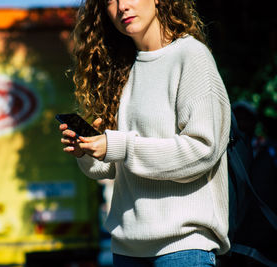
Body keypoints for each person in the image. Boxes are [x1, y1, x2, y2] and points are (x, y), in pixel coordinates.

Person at [59, 0, 231, 266]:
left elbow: (202, 150)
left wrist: (118, 146)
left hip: (183, 249)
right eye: (110, 1)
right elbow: (114, 168)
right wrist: (89, 151)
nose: (121, 7)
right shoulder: (120, 70)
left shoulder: (191, 56)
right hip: (127, 251)